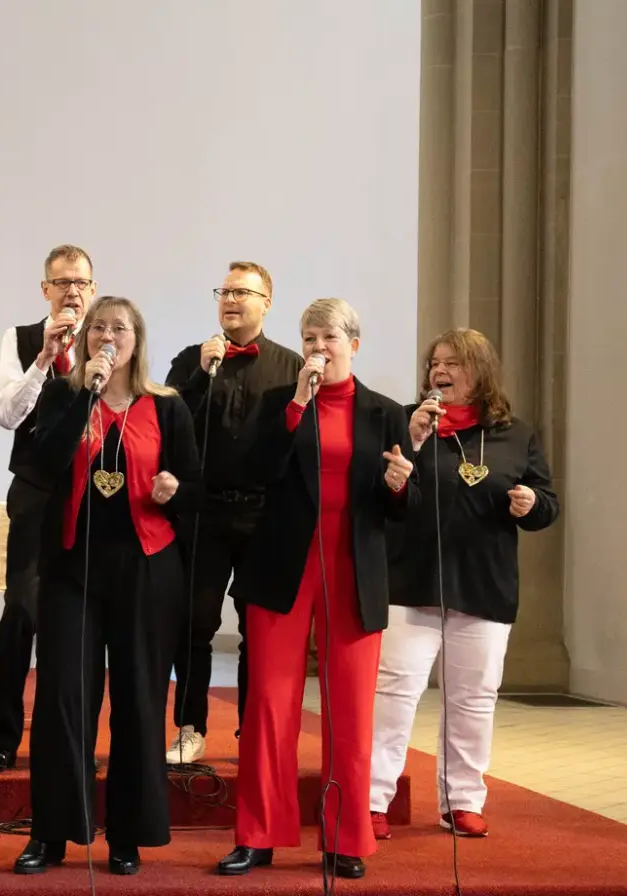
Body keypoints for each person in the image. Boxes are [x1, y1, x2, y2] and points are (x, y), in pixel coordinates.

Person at [218, 298, 414, 881]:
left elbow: (402, 507)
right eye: (308, 338)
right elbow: (254, 471)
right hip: (282, 567)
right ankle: (258, 836)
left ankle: (345, 837)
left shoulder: (383, 413)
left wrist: (402, 487)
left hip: (352, 569)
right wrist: (298, 404)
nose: (317, 348)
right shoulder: (281, 403)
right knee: (269, 708)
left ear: (354, 343)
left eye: (329, 336)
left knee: (349, 711)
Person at [14, 296, 200, 876]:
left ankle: (127, 834)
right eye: (98, 327)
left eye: (119, 327)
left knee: (139, 701)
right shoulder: (65, 396)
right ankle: (52, 833)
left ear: (137, 340)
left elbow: (195, 485)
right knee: (64, 699)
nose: (107, 336)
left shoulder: (167, 407)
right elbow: (40, 466)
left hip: (147, 568)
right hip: (74, 568)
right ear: (84, 340)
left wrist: (174, 485)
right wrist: (84, 393)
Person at [368, 328, 558, 841]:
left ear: (480, 371)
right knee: (394, 692)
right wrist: (408, 449)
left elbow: (547, 502)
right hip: (412, 580)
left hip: (483, 583)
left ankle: (463, 801)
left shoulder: (514, 433)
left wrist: (531, 504)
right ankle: (372, 800)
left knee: (474, 698)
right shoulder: (408, 423)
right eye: (434, 362)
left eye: (452, 362)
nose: (439, 371)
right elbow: (378, 497)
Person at [163, 261, 304, 764]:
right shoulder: (191, 360)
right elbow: (168, 424)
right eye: (225, 290)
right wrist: (202, 374)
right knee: (194, 623)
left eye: (244, 292)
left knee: (256, 629)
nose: (231, 299)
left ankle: (253, 731)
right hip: (203, 512)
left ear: (267, 302)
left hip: (265, 515)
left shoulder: (292, 366)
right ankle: (190, 726)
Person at [0, 244, 95, 772]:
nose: (73, 291)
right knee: (21, 612)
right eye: (63, 282)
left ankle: (68, 741)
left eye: (81, 283)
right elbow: (7, 414)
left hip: (91, 492)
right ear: (45, 290)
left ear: (92, 290)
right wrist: (44, 358)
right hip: (33, 490)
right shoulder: (21, 339)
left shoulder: (108, 338)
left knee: (78, 619)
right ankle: (3, 738)